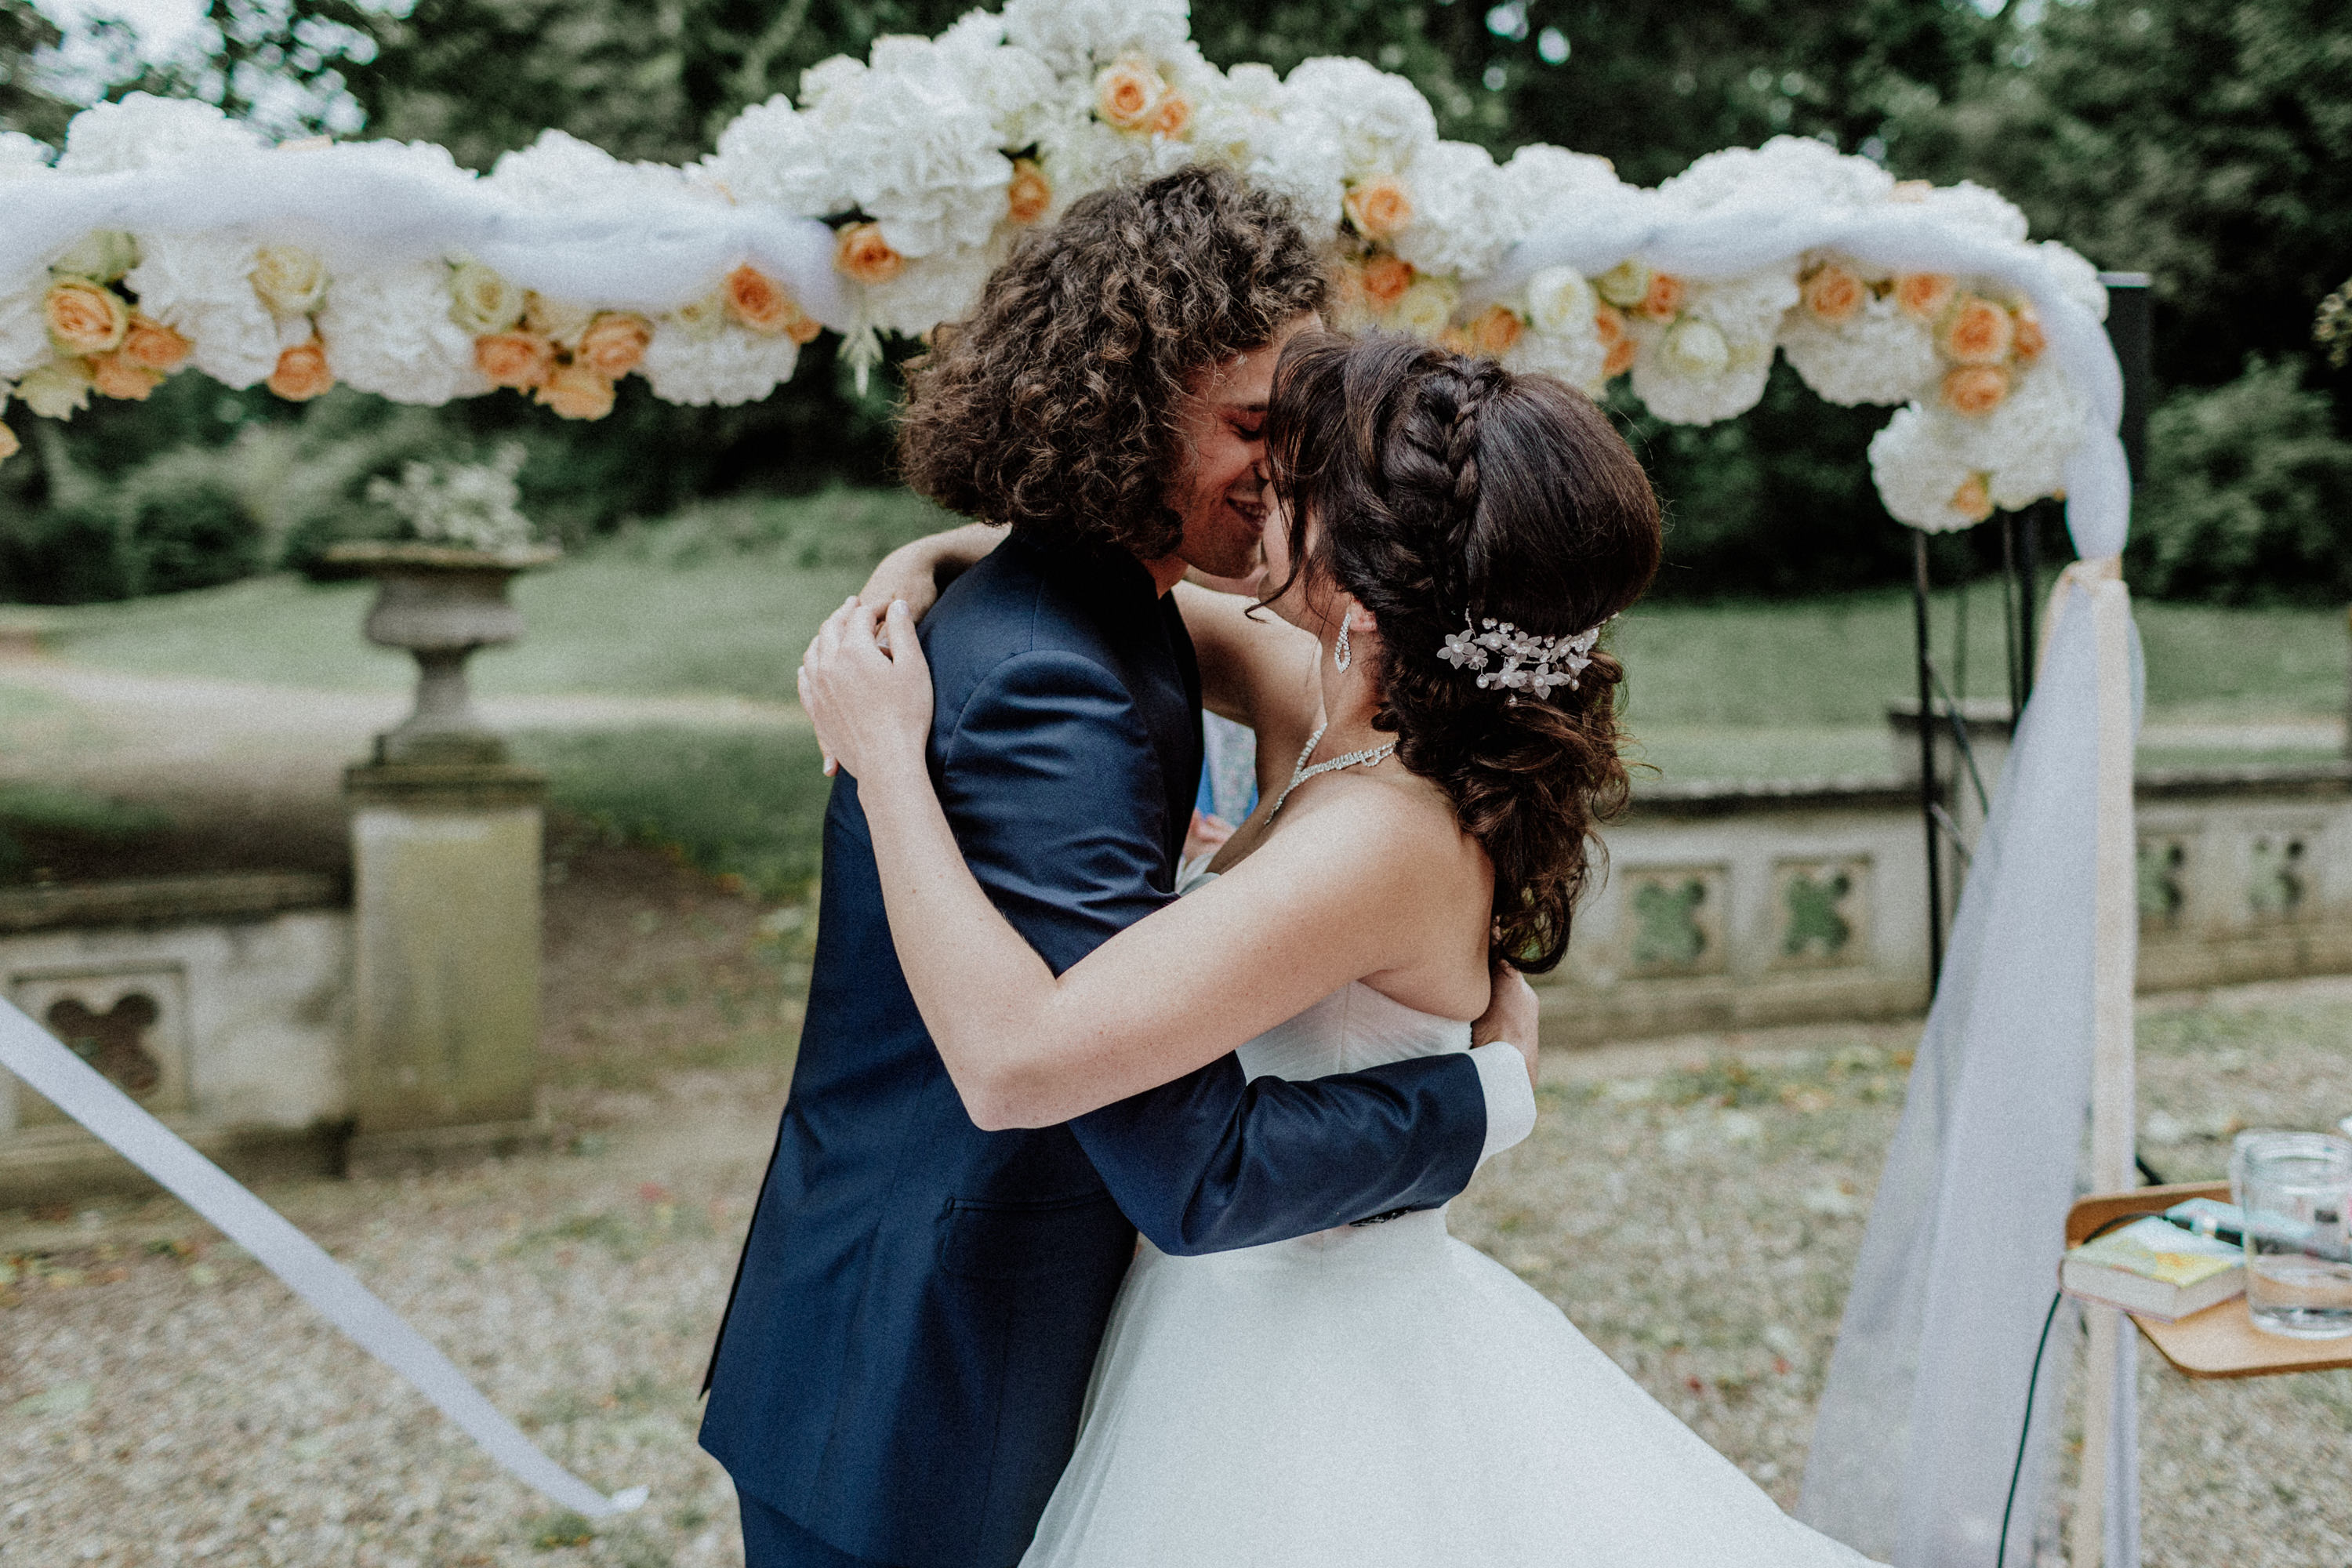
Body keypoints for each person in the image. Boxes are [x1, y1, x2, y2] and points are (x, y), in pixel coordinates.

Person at [798, 330, 1883, 1567]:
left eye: (1301, 476)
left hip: (1292, 1356)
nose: (1268, 485)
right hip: (1242, 1305)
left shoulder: (1378, 833)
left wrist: (889, 763)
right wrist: (927, 557)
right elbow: (1139, 599)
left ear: (1363, 599)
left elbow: (1013, 1063)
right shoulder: (1353, 712)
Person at [698, 168, 1543, 1568]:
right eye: (1251, 427)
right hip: (935, 1372)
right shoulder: (1054, 681)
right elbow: (1129, 1122)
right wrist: (1486, 1090)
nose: (1282, 473)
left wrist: (939, 549)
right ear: (1116, 409)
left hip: (912, 1319)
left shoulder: (1118, 610)